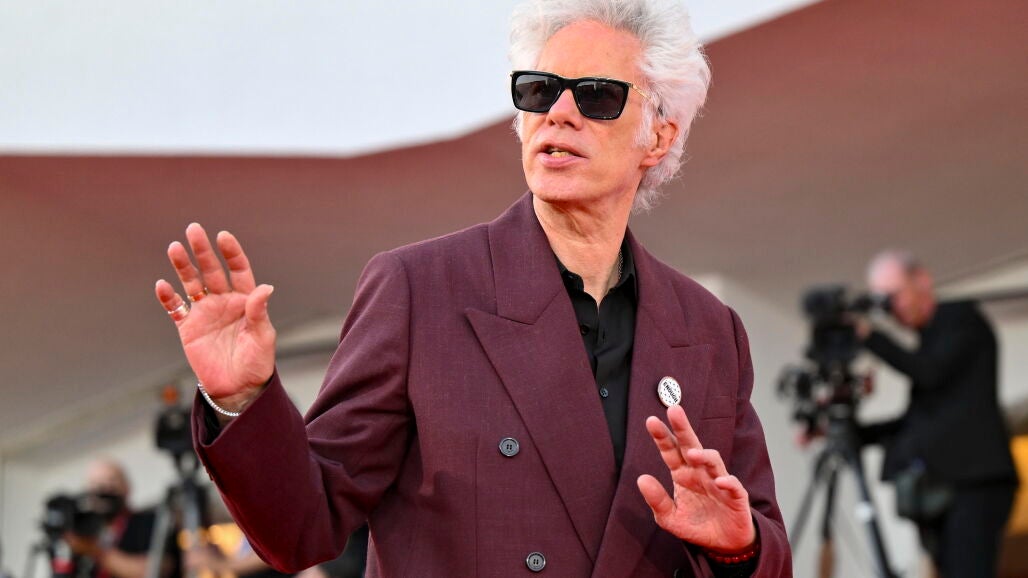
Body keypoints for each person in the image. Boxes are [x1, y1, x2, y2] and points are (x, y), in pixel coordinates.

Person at [154, 0, 791, 575]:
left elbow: (764, 544)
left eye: (597, 95)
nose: (559, 113)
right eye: (540, 90)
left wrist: (738, 547)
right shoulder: (419, 291)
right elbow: (303, 527)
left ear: (659, 135)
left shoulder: (708, 330)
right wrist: (242, 399)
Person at [858, 250, 1019, 578]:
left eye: (895, 295)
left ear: (922, 281)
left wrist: (869, 337)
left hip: (975, 483)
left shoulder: (960, 318)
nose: (893, 307)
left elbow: (929, 372)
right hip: (943, 488)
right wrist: (851, 432)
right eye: (885, 302)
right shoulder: (929, 343)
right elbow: (915, 421)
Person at [63, 459, 175, 578]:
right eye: (96, 484)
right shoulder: (84, 533)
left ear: (127, 487)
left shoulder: (150, 521)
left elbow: (154, 570)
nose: (104, 489)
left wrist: (96, 550)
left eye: (111, 481)